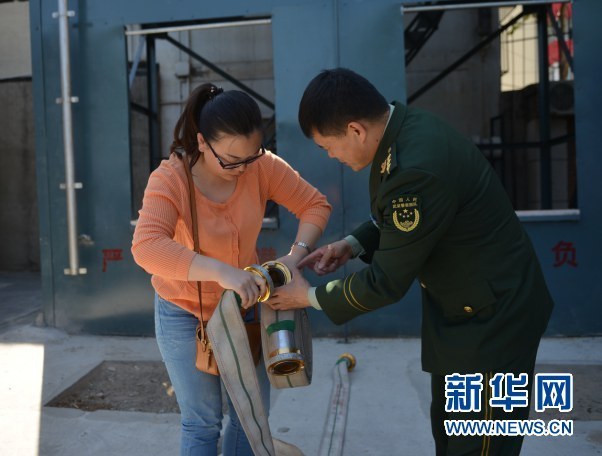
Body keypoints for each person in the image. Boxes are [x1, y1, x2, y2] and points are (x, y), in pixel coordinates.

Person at [264, 68, 554, 455]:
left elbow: (386, 281)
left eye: (328, 147)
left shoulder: (414, 168)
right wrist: (352, 244)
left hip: (493, 321)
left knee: (478, 444)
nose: (332, 157)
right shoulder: (405, 131)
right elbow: (404, 220)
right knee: (450, 430)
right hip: (466, 307)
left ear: (355, 130)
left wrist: (309, 297)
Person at [131, 83, 331, 456]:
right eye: (230, 160)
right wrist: (222, 272)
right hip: (184, 312)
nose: (241, 170)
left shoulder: (261, 167)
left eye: (250, 158)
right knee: (202, 421)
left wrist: (295, 256)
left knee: (250, 415)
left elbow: (315, 205)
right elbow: (146, 246)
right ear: (202, 142)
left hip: (245, 308)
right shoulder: (171, 178)